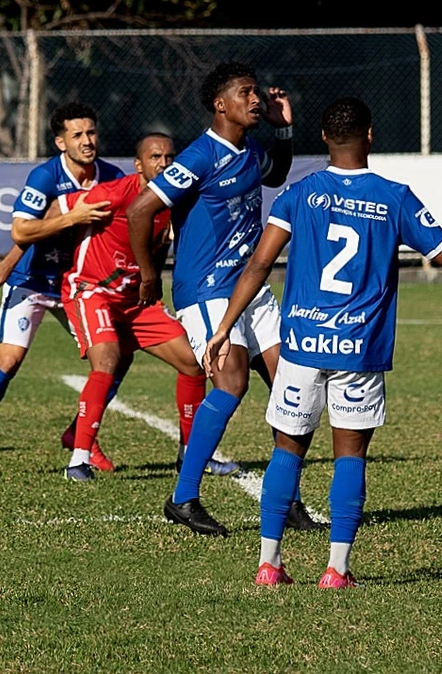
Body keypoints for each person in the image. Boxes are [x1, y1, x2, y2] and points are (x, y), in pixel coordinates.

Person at [203, 97, 442, 587]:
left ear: (323, 138)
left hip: (301, 346)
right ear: (371, 136)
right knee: (350, 455)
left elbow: (258, 265)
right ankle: (337, 569)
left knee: (286, 451)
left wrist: (225, 325)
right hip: (358, 349)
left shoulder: (301, 193)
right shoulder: (393, 196)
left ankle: (268, 564)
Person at [126, 61, 317, 535]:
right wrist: (150, 276)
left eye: (257, 92)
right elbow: (139, 209)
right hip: (207, 288)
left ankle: (287, 500)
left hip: (251, 289)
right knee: (231, 385)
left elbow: (277, 175)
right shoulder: (198, 157)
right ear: (220, 104)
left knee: (293, 386)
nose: (257, 99)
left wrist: (285, 128)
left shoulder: (252, 148)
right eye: (246, 93)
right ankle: (183, 497)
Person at [0, 103, 123, 479]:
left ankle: (81, 437)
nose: (87, 141)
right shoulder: (46, 176)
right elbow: (23, 230)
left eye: (91, 132)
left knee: (111, 360)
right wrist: (14, 259)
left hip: (78, 284)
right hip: (32, 281)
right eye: (77, 135)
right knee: (9, 360)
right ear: (61, 142)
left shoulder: (111, 176)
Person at [43, 134, 209, 481]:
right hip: (92, 291)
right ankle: (78, 460)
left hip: (135, 301)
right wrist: (66, 225)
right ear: (139, 164)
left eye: (169, 157)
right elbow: (58, 207)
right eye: (155, 157)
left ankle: (189, 457)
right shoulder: (115, 192)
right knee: (107, 359)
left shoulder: (172, 201)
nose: (163, 163)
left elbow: (159, 250)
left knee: (193, 363)